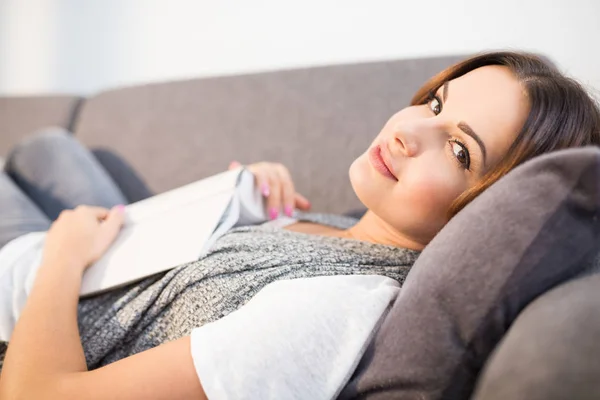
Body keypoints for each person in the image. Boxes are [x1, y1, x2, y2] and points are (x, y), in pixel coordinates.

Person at [1, 51, 599, 400]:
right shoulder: (343, 231)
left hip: (24, 302)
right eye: (437, 103)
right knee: (47, 147)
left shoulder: (330, 314)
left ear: (486, 210)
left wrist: (62, 254)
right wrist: (251, 209)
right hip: (90, 262)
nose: (406, 130)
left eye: (460, 151)